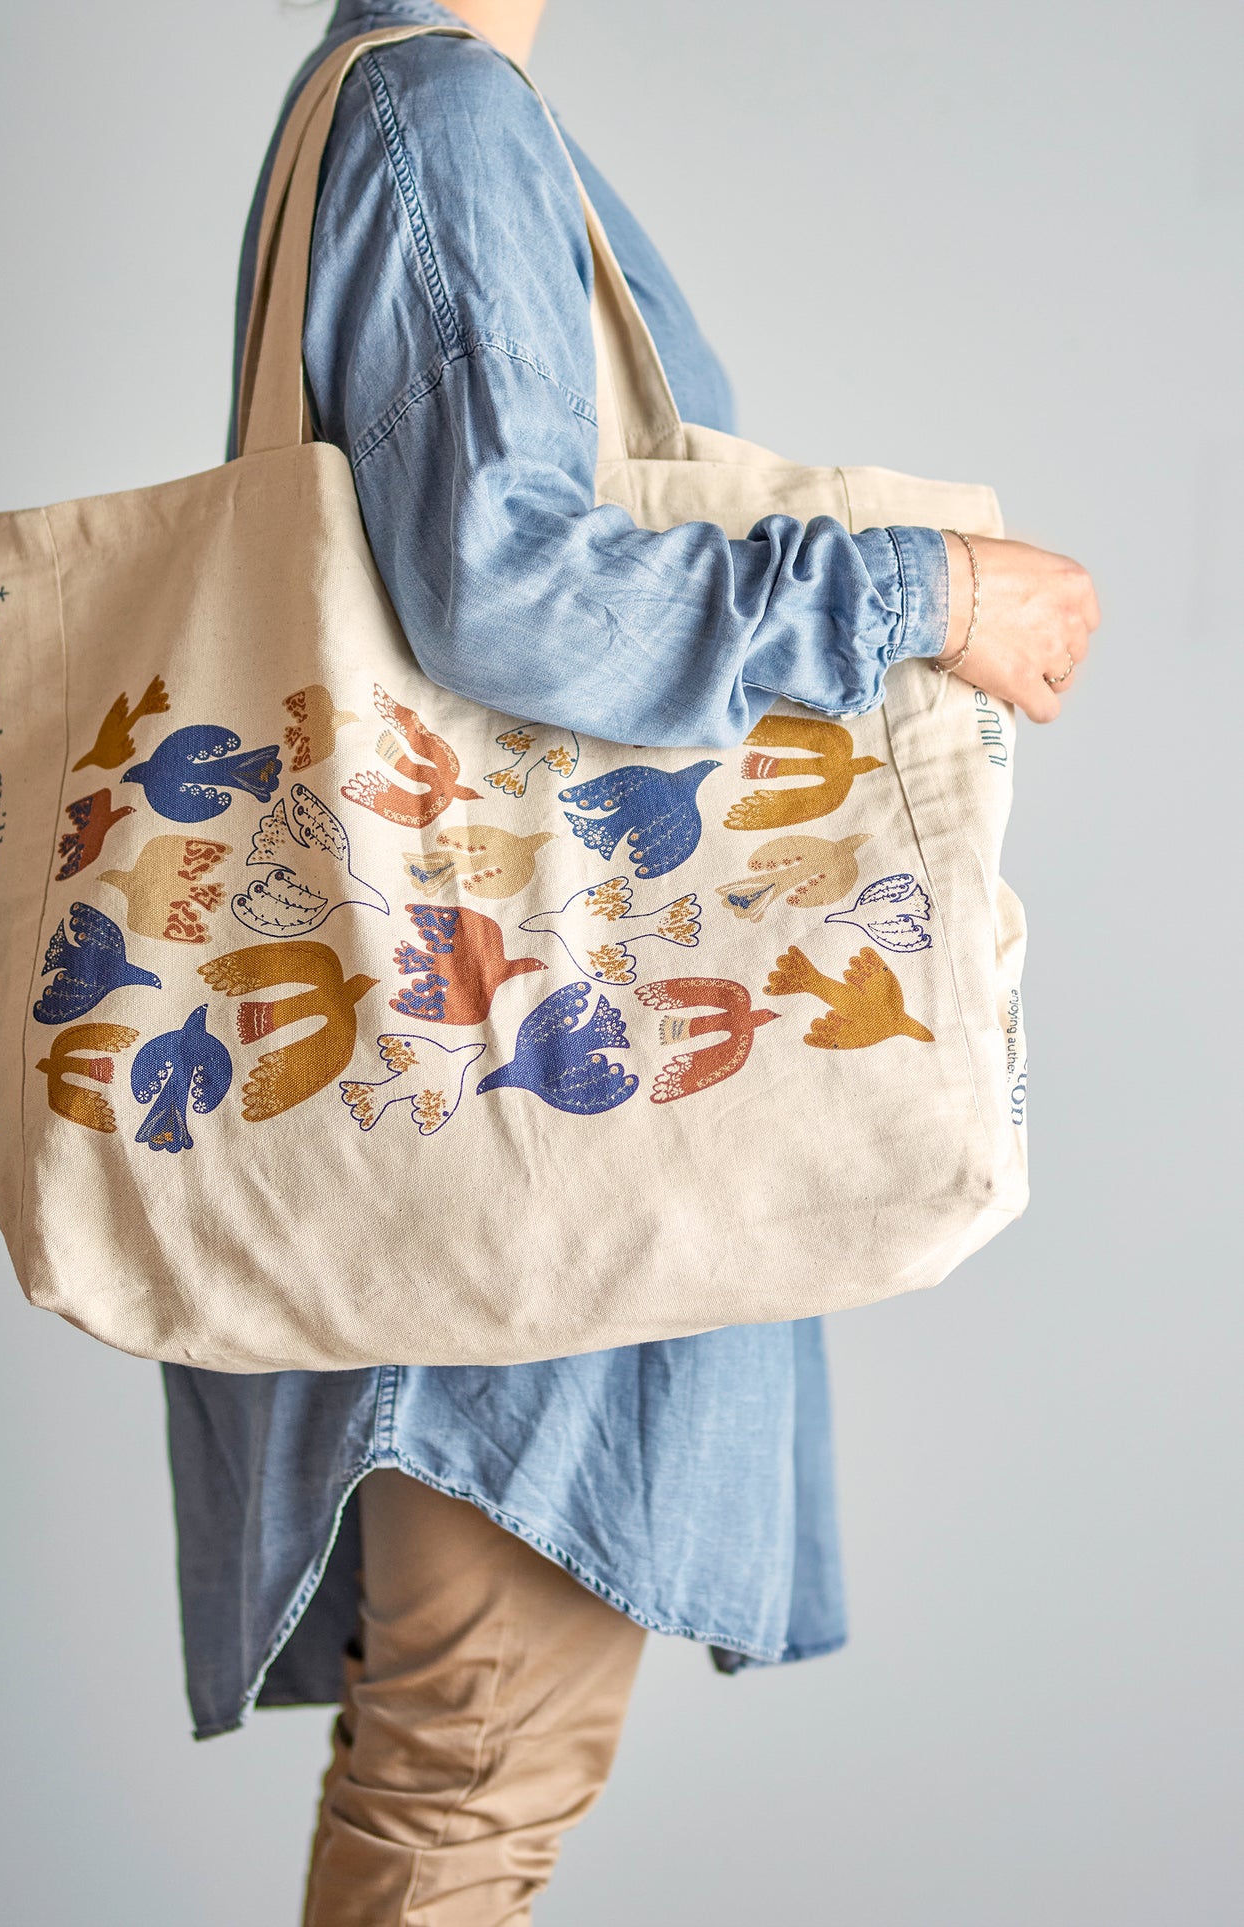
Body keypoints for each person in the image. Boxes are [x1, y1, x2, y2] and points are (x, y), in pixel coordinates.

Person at [164, 3, 1100, 1920]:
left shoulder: (381, 100)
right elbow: (509, 590)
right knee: (470, 1779)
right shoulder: (441, 101)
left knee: (446, 1759)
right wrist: (927, 591)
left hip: (448, 1088)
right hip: (522, 1111)